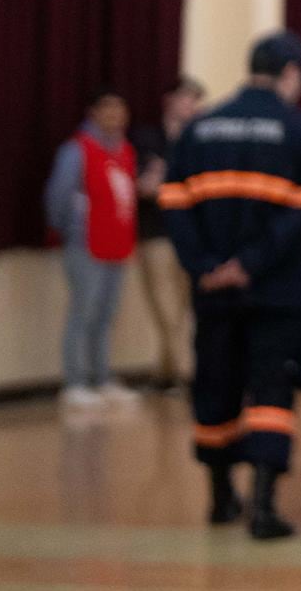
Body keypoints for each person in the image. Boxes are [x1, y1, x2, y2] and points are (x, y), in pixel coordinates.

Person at [161, 32, 301, 540]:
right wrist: (251, 263)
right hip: (277, 291)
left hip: (213, 291)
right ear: (290, 73)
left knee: (215, 382)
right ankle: (263, 506)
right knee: (271, 389)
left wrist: (207, 266)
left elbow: (173, 202)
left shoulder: (200, 128)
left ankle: (218, 497)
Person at [42, 87, 140, 410]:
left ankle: (102, 378)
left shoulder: (125, 150)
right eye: (108, 109)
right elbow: (58, 196)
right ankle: (75, 382)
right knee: (82, 313)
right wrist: (71, 230)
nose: (115, 116)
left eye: (120, 109)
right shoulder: (76, 151)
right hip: (86, 244)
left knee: (106, 314)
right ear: (93, 113)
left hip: (117, 243)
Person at [129, 74, 206, 386]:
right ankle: (186, 374)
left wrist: (167, 181)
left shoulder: (198, 141)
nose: (191, 106)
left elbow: (199, 186)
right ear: (169, 101)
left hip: (191, 233)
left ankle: (166, 373)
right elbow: (142, 185)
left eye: (195, 100)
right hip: (156, 232)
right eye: (186, 98)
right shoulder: (146, 138)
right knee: (163, 304)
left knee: (188, 307)